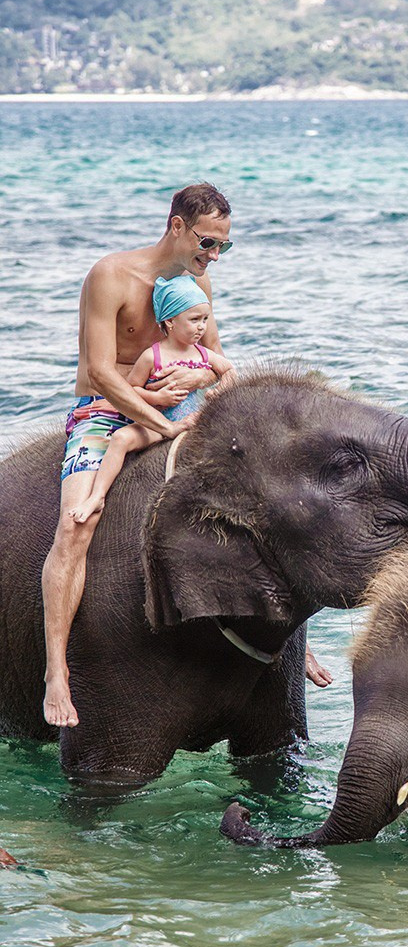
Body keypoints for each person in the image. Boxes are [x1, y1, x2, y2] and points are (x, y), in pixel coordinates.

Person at [42, 182, 233, 728]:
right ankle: (56, 670)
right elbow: (100, 370)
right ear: (177, 225)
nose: (212, 255)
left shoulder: (198, 286)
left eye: (223, 247)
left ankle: (291, 645)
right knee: (76, 525)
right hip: (105, 413)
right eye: (207, 242)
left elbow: (214, 356)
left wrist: (202, 386)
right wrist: (159, 422)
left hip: (178, 412)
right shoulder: (111, 275)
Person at [68, 276, 235, 525]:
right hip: (159, 424)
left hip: (194, 421)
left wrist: (218, 389)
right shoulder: (152, 356)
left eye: (205, 320)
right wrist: (156, 397)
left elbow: (230, 371)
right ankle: (97, 496)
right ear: (170, 321)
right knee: (122, 438)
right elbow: (131, 388)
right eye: (194, 320)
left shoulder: (202, 353)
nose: (202, 327)